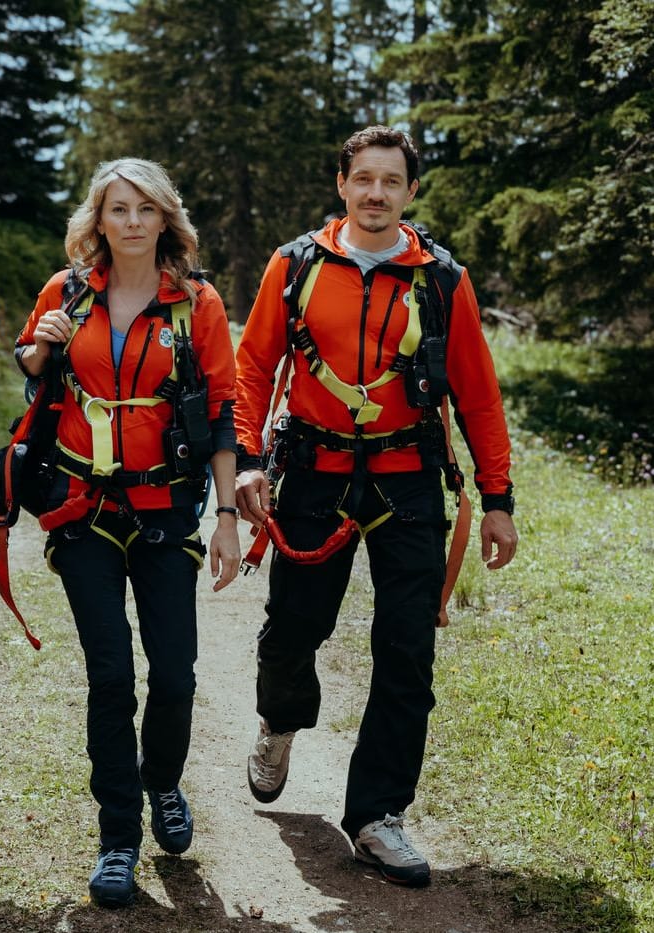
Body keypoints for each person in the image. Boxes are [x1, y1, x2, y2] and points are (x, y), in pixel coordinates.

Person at [234, 125, 519, 887]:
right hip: (314, 472)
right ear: (341, 185)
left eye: (390, 182)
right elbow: (254, 366)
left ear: (409, 192)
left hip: (409, 480)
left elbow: (478, 396)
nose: (375, 194)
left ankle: (375, 816)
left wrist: (497, 498)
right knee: (294, 627)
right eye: (363, 179)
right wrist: (249, 461)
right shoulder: (294, 266)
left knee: (405, 651)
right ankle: (279, 722)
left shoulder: (441, 279)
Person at [14, 158, 240, 908]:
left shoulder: (197, 304)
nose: (133, 221)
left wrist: (229, 517)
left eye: (145, 208)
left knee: (173, 673)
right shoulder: (68, 290)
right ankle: (118, 835)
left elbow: (222, 416)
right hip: (82, 508)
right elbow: (31, 367)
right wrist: (39, 343)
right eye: (118, 209)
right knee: (111, 674)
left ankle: (164, 782)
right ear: (99, 221)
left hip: (167, 509)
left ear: (165, 218)